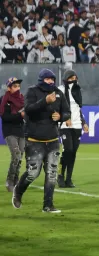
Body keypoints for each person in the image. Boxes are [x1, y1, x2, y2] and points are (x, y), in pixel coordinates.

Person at [12, 69, 71, 213]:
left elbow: (67, 112)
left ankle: (48, 205)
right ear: (41, 80)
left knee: (51, 174)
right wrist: (45, 101)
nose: (50, 81)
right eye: (47, 79)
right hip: (34, 140)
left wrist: (61, 117)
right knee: (33, 172)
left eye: (52, 79)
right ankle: (18, 192)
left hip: (53, 140)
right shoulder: (32, 91)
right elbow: (29, 109)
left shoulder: (59, 93)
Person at [57, 70, 89, 188]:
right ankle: (60, 175)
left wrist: (84, 123)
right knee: (68, 150)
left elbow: (78, 108)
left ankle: (69, 179)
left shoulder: (77, 90)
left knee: (73, 152)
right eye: (71, 78)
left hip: (77, 125)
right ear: (66, 78)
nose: (74, 80)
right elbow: (56, 107)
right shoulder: (60, 90)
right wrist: (64, 118)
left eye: (75, 78)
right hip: (65, 125)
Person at [0, 77, 25, 192]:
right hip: (10, 131)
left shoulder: (22, 99)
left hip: (21, 130)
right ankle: (9, 181)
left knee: (20, 157)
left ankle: (16, 180)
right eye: (15, 86)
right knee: (16, 155)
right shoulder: (4, 100)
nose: (17, 88)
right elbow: (5, 117)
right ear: (9, 88)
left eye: (18, 86)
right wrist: (21, 116)